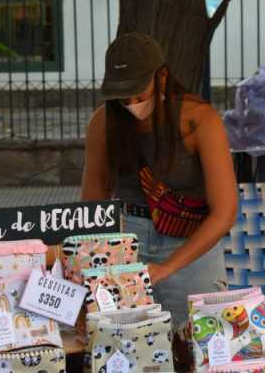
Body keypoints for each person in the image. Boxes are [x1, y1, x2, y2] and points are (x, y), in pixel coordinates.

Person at [81, 32, 238, 331]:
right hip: (127, 241)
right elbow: (92, 204)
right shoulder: (103, 123)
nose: (131, 103)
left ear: (162, 76)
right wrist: (89, 263)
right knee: (128, 342)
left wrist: (167, 267)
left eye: (139, 93)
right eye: (122, 96)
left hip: (193, 245)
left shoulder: (200, 120)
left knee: (202, 340)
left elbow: (225, 212)